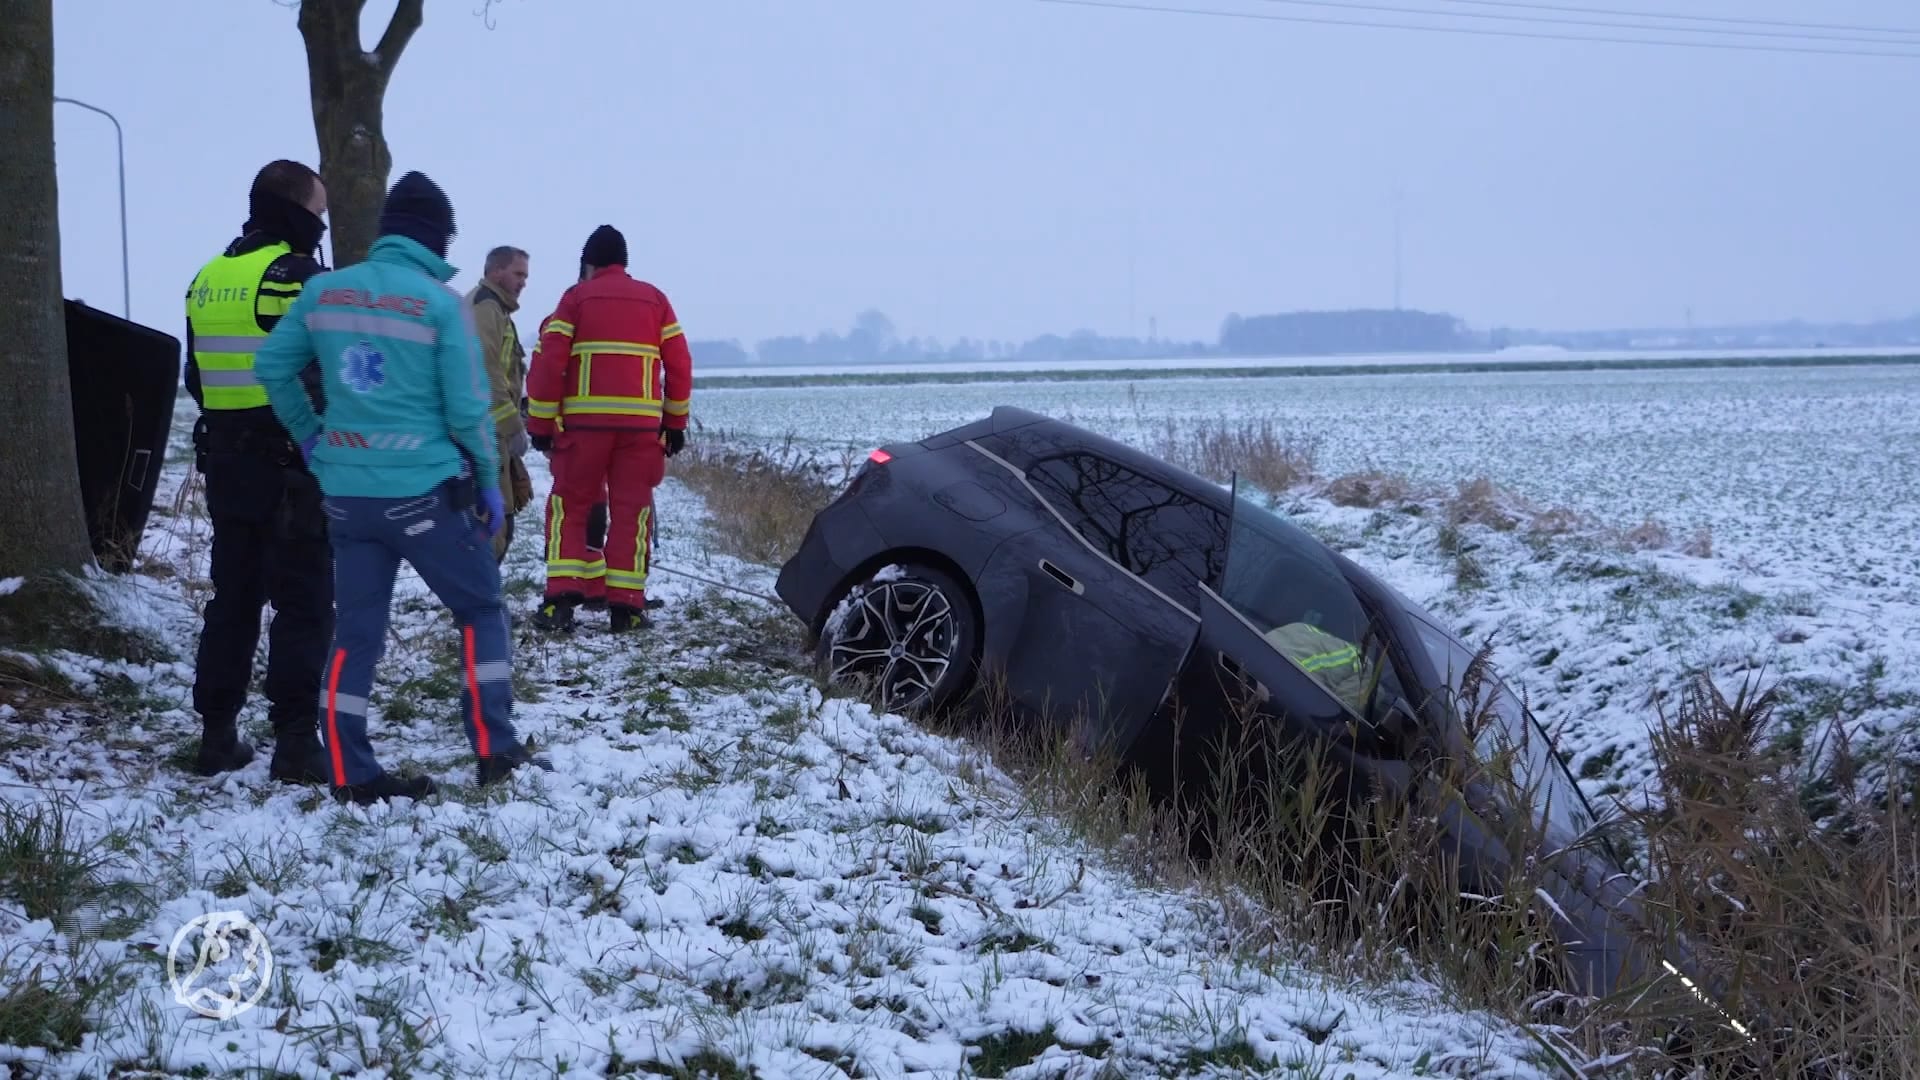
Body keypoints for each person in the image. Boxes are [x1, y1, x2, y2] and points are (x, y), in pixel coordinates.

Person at [252, 170, 550, 805]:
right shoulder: (442, 305)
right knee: (480, 609)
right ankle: (495, 747)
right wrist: (487, 479)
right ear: (438, 240)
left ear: (388, 232)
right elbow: (469, 406)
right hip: (425, 495)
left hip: (346, 497)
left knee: (355, 630)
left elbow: (270, 366)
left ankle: (349, 770)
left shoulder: (325, 292)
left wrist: (311, 436)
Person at [181, 159, 334, 785]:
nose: (321, 228)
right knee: (302, 605)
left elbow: (197, 375)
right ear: (297, 212)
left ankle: (217, 736)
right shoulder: (296, 278)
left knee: (234, 600)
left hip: (226, 464)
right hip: (291, 470)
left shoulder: (208, 277)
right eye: (318, 215)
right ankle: (296, 744)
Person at [525, 225, 690, 633]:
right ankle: (627, 608)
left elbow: (549, 362)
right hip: (640, 431)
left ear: (587, 265)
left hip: (584, 427)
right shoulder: (656, 300)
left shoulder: (575, 298)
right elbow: (680, 363)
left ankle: (560, 603)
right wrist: (675, 422)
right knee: (631, 512)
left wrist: (542, 423)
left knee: (571, 506)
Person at [464, 244, 535, 563]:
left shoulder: (497, 310)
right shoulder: (485, 308)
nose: (523, 282)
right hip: (484, 433)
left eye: (526, 276)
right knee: (492, 522)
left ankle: (481, 602)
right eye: (518, 274)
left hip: (492, 432)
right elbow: (484, 373)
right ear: (496, 271)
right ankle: (477, 606)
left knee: (502, 519)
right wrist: (513, 427)